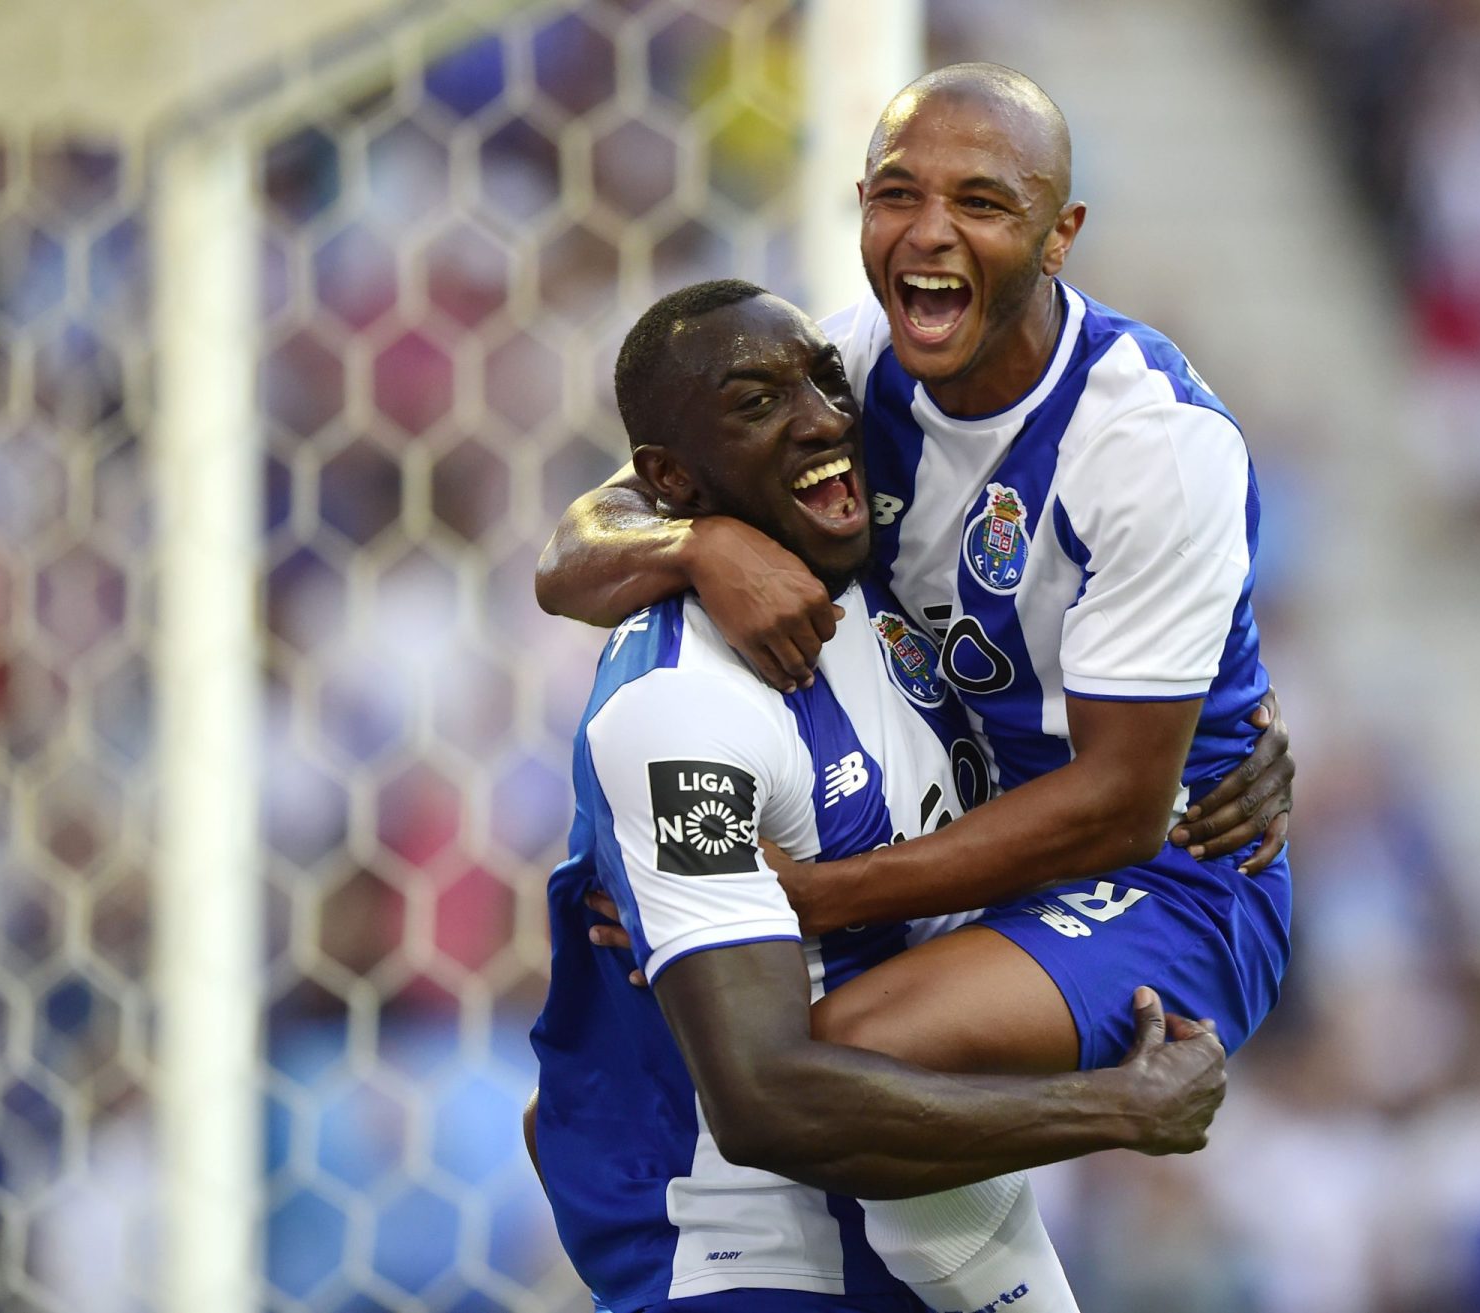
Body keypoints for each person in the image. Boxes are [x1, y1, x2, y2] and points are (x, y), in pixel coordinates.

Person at [543, 64, 1290, 1098]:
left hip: (1161, 872)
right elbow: (575, 553)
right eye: (900, 194)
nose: (929, 230)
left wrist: (804, 899)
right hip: (941, 831)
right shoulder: (846, 367)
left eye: (981, 202)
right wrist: (696, 547)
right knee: (645, 1063)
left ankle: (1127, 1113)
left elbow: (1122, 805)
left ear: (1059, 234)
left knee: (833, 1051)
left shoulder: (1146, 440)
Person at [531, 279, 1229, 1313]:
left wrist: (1233, 740)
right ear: (671, 477)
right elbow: (762, 1097)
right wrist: (1115, 1107)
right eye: (757, 401)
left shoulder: (892, 573)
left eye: (821, 379)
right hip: (749, 1255)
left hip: (927, 1227)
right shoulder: (679, 712)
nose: (822, 414)